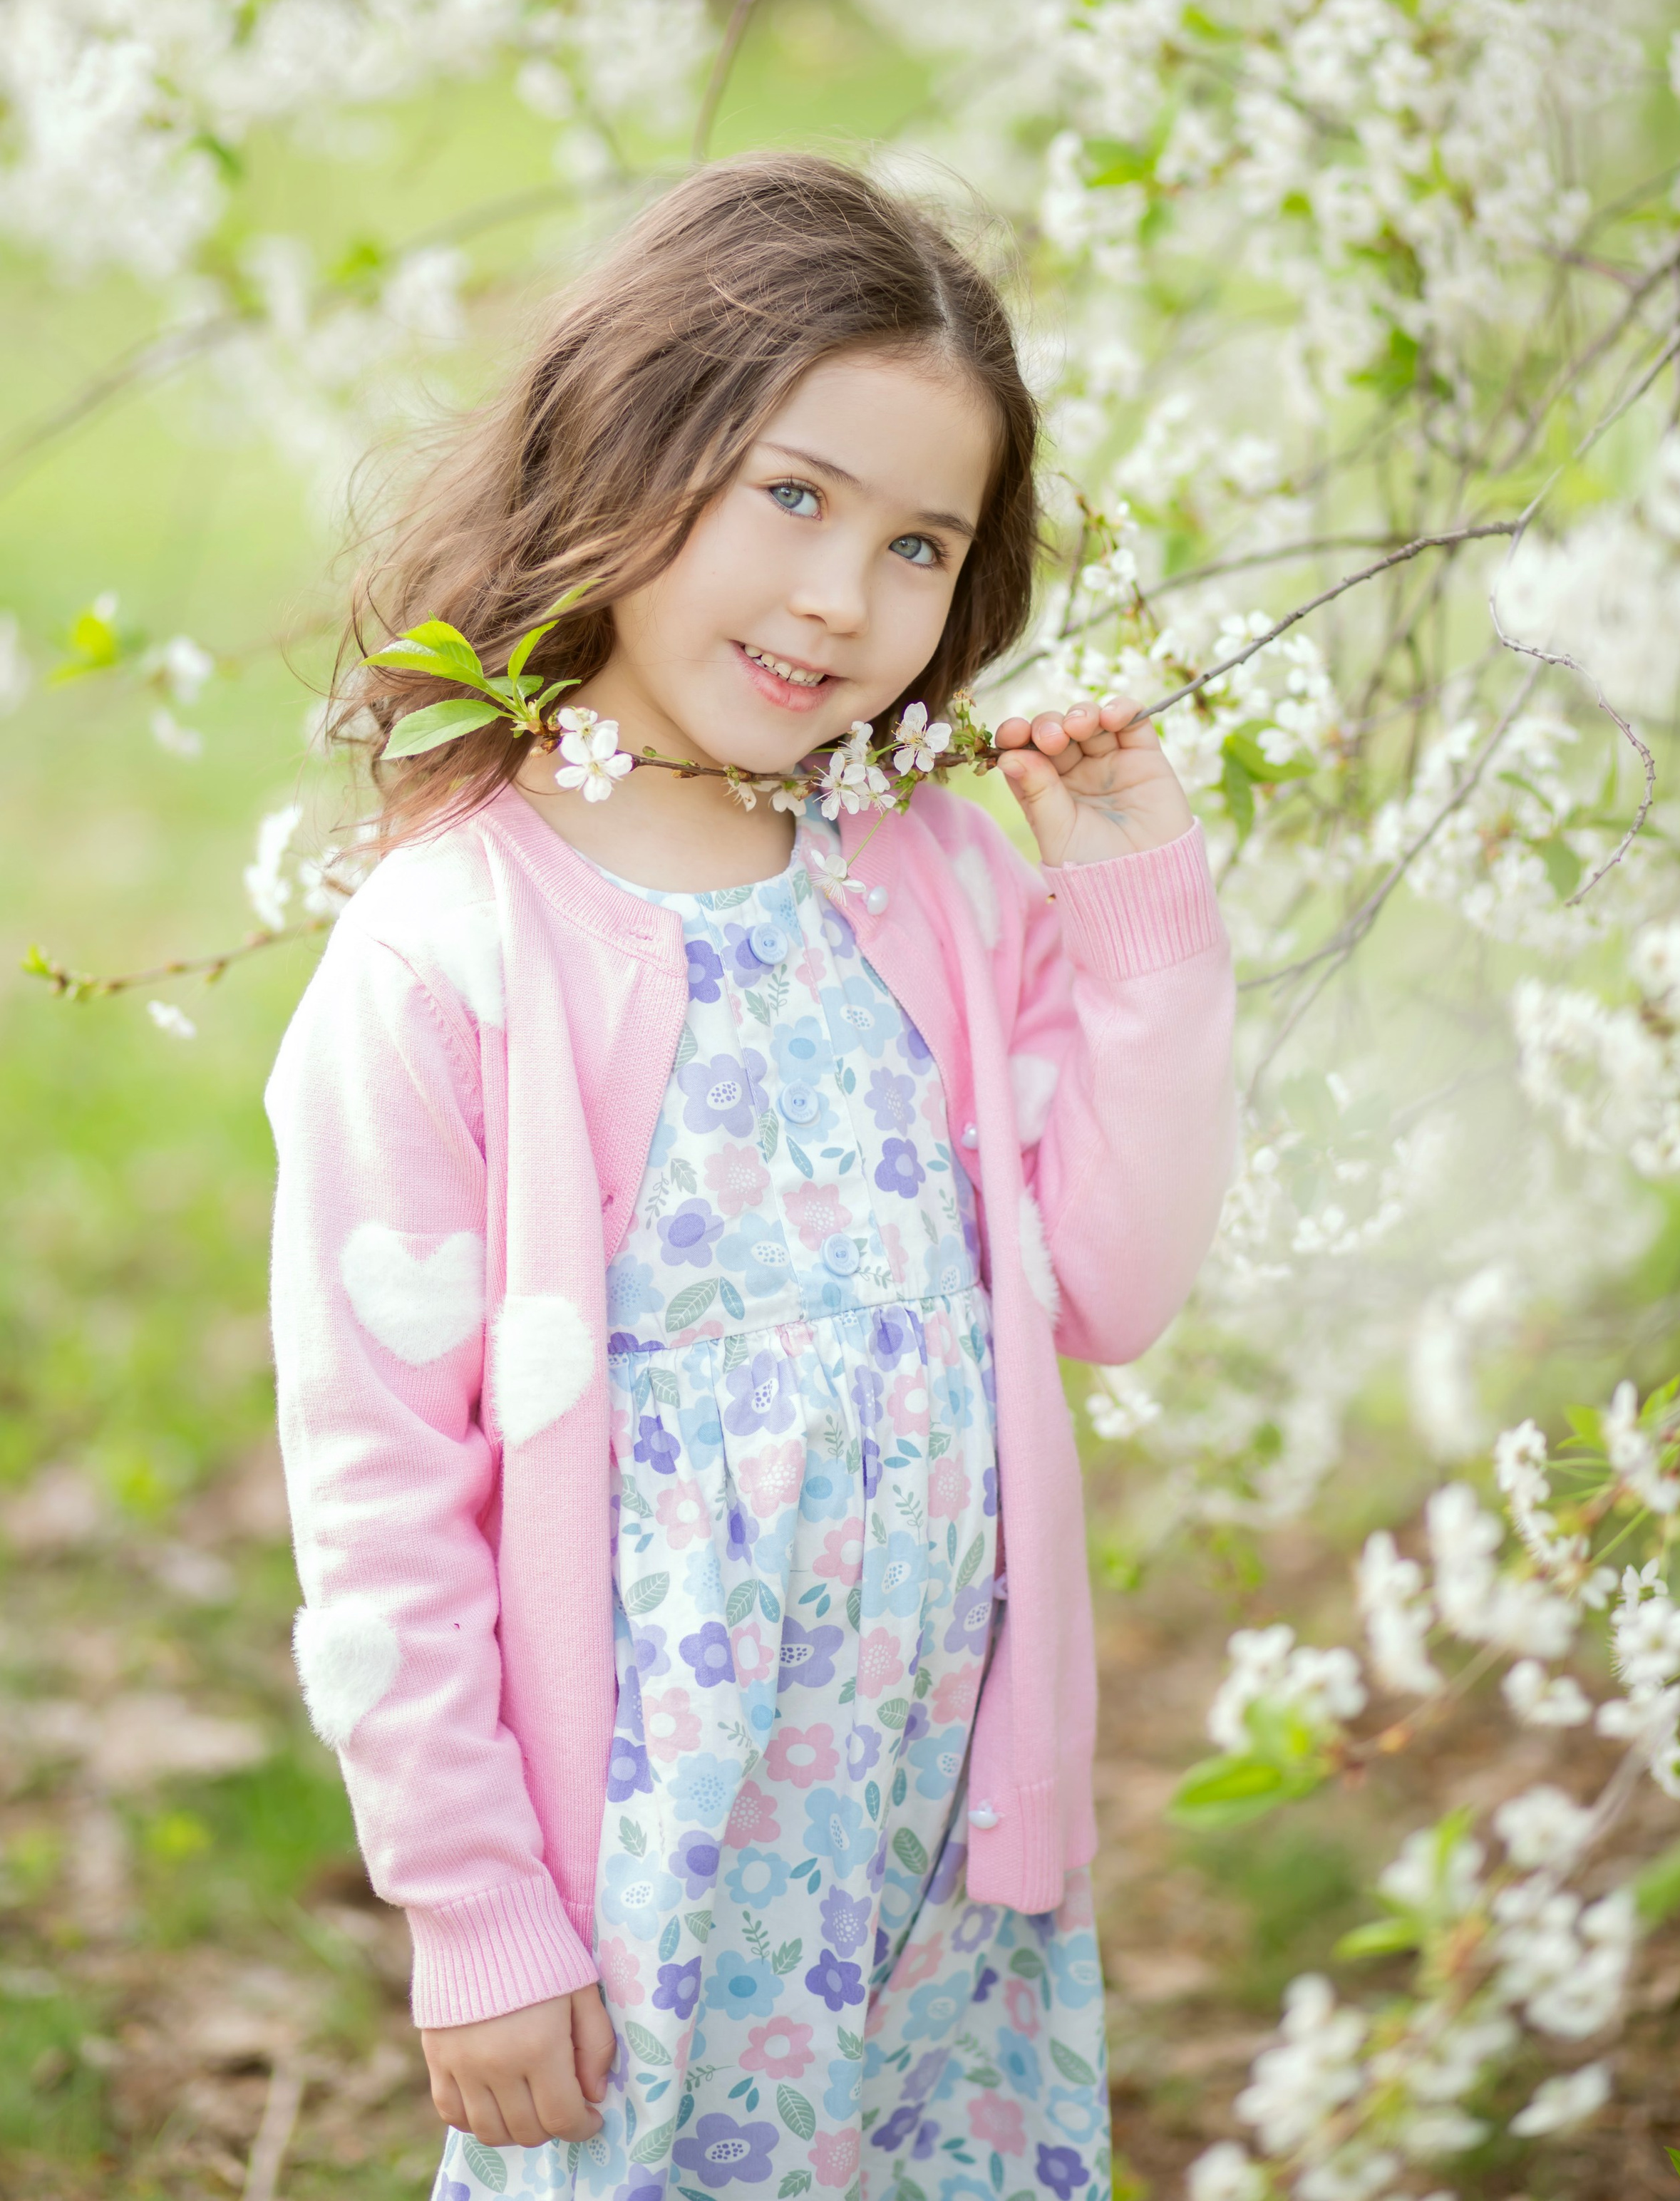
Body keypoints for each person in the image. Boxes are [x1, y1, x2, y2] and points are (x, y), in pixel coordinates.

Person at [264, 153, 1237, 2201]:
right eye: (792, 495)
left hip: (939, 1831)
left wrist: (1137, 911)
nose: (837, 600)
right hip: (653, 1865)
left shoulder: (935, 880)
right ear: (632, 438)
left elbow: (1112, 1286)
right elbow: (380, 1493)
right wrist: (478, 1908)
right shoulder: (453, 951)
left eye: (915, 544)